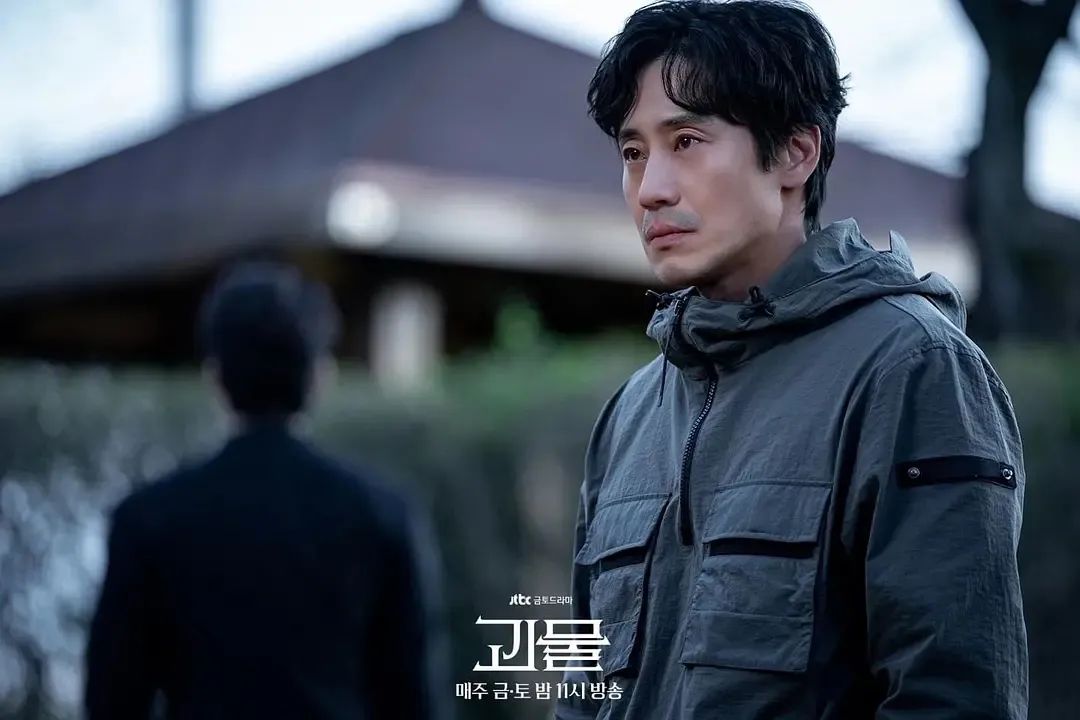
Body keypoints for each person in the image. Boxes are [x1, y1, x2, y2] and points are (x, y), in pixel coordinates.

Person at [556, 1, 1027, 718]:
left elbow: (954, 697)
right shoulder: (632, 410)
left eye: (686, 141)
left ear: (795, 154)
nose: (651, 189)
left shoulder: (910, 369)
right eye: (633, 153)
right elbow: (582, 693)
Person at [85, 262, 446, 720]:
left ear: (216, 376)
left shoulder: (148, 519)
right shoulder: (382, 514)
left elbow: (112, 701)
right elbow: (413, 701)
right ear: (319, 377)